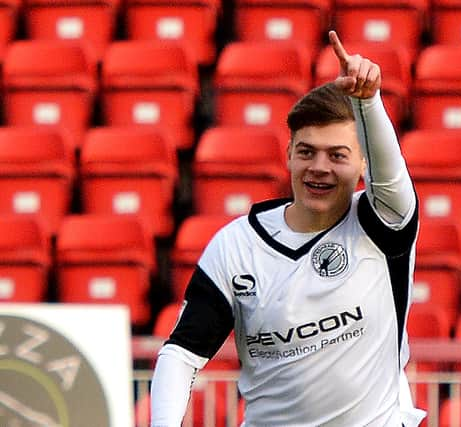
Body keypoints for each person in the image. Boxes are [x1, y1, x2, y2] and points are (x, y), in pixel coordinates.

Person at [150, 30, 426, 427]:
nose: (319, 166)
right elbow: (181, 353)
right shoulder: (237, 245)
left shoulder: (381, 224)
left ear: (364, 165)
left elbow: (392, 176)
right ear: (288, 156)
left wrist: (369, 103)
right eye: (307, 152)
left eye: (338, 155)